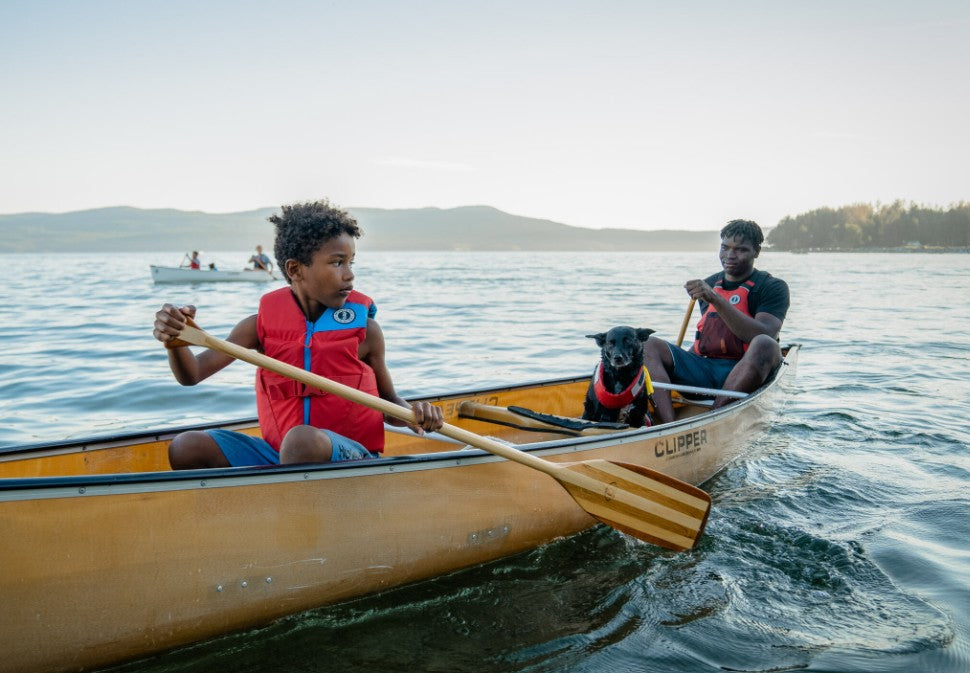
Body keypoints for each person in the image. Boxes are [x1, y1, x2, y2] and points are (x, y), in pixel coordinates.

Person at [152, 199, 444, 470]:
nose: (349, 274)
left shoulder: (366, 332)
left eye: (351, 262)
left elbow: (388, 401)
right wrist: (176, 342)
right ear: (295, 269)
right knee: (186, 447)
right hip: (278, 454)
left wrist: (414, 414)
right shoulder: (257, 326)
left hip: (349, 457)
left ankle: (289, 515)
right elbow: (192, 374)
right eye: (337, 262)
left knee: (302, 441)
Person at [643, 219, 790, 423]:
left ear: (756, 251)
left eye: (740, 250)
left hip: (745, 372)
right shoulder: (711, 283)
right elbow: (711, 335)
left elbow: (764, 333)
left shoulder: (772, 287)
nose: (730, 255)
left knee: (766, 343)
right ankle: (666, 425)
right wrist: (670, 364)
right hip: (706, 369)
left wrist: (715, 298)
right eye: (725, 247)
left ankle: (713, 418)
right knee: (646, 344)